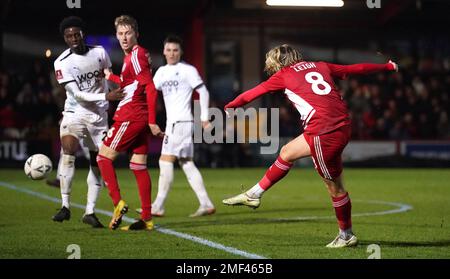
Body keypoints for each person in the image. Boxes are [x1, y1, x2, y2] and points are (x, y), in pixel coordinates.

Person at [222, 44, 398, 248]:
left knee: (335, 188)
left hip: (324, 132)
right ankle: (254, 194)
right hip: (338, 126)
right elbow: (355, 69)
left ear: (279, 61)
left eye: (271, 62)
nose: (270, 66)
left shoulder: (284, 75)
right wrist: (387, 67)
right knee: (287, 152)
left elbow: (254, 93)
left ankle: (346, 235)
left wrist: (231, 105)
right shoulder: (320, 65)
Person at [53, 16, 125, 228]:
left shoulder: (100, 52)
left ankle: (90, 211)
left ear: (83, 34)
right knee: (68, 151)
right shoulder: (61, 63)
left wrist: (118, 94)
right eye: (69, 36)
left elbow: (108, 78)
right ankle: (65, 206)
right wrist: (106, 97)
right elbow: (77, 94)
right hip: (75, 113)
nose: (73, 38)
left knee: (98, 162)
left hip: (99, 117)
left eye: (76, 34)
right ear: (65, 39)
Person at [96, 15, 163, 231]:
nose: (124, 38)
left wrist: (153, 121)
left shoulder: (136, 55)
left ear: (136, 33)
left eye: (128, 33)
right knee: (138, 166)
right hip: (139, 116)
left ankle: (117, 203)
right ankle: (146, 219)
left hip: (131, 115)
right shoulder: (132, 58)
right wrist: (111, 76)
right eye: (120, 34)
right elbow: (131, 83)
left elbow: (150, 88)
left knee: (103, 158)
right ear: (116, 35)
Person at [149, 35, 215, 217]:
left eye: (175, 50)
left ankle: (158, 206)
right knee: (186, 163)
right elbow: (150, 93)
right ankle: (206, 203)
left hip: (181, 122)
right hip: (174, 123)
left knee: (165, 160)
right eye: (168, 50)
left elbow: (203, 91)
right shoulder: (161, 72)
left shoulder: (187, 70)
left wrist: (204, 116)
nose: (171, 53)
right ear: (163, 51)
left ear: (181, 52)